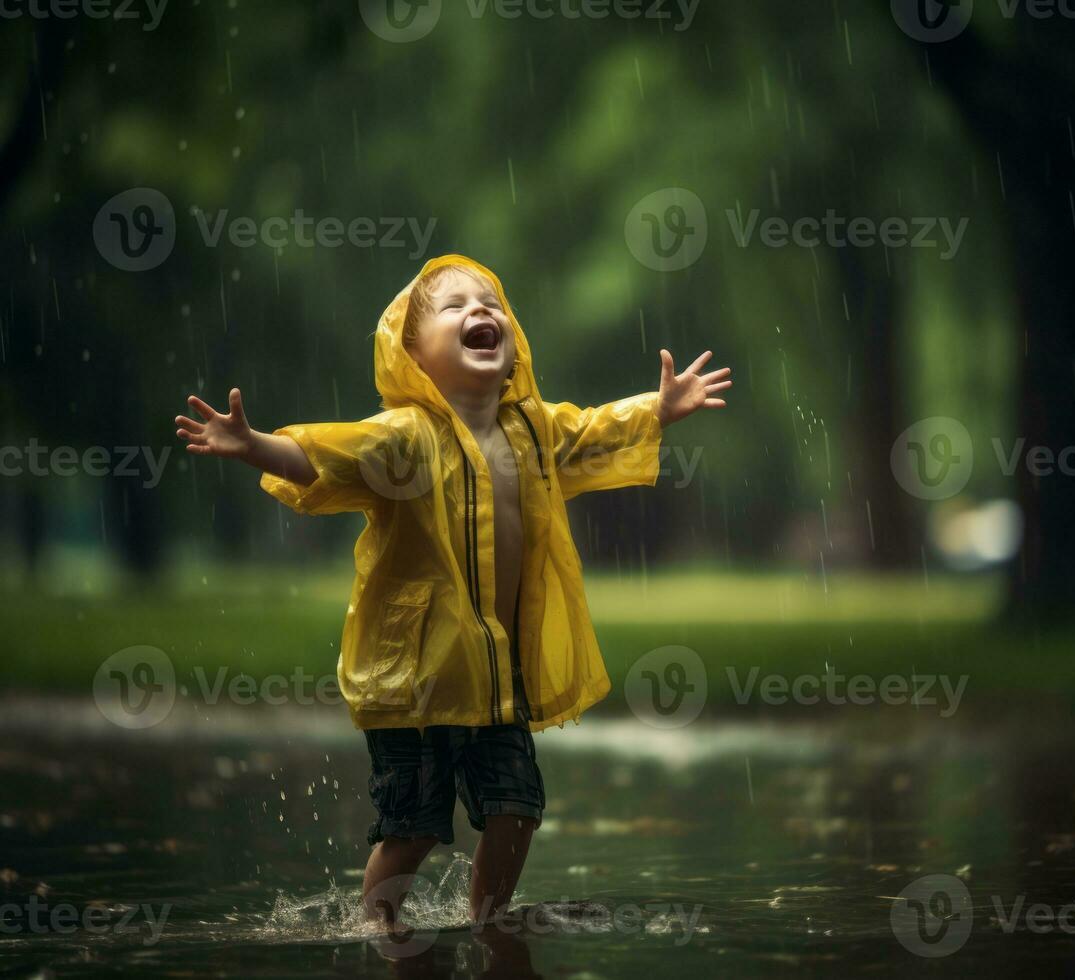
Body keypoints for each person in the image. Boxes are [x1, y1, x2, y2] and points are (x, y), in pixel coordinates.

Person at [173, 254, 730, 929]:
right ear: (412, 354)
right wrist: (254, 444)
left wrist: (658, 410)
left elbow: (594, 430)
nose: (481, 311)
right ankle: (377, 926)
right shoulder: (407, 438)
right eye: (455, 305)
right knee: (412, 828)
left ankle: (489, 921)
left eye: (492, 301)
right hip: (418, 682)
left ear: (511, 338)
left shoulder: (531, 431)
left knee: (517, 808)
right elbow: (327, 454)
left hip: (495, 680)